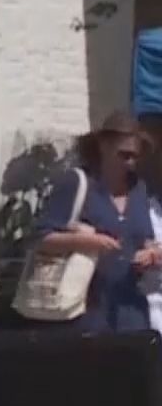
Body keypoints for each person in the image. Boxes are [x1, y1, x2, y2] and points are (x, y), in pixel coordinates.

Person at [33, 110, 157, 334]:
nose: (130, 163)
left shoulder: (138, 189)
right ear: (103, 146)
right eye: (124, 155)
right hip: (83, 314)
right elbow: (42, 239)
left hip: (131, 315)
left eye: (135, 157)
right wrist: (88, 241)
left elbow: (146, 239)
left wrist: (152, 254)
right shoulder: (77, 184)